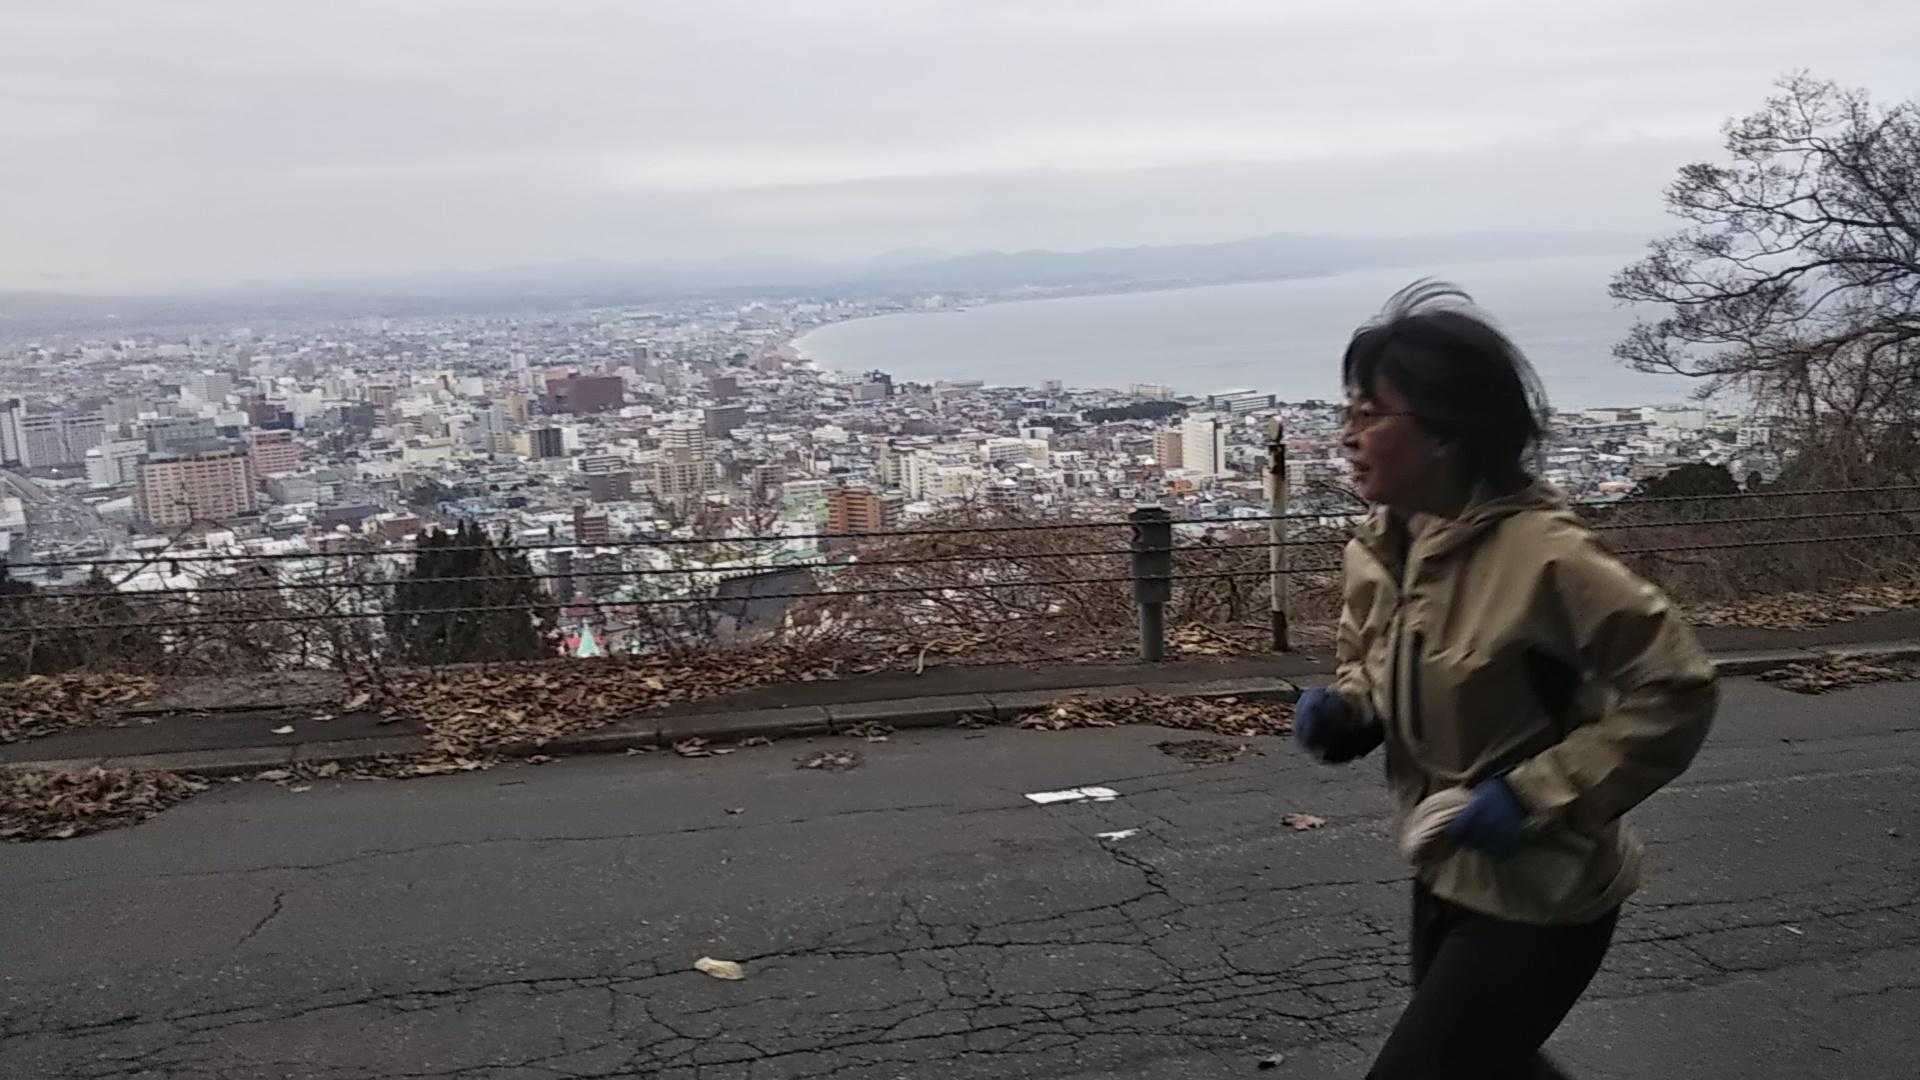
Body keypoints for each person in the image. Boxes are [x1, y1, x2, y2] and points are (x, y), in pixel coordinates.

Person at [1291, 281, 1719, 1079]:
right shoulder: (1380, 548)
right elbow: (1376, 662)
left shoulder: (1546, 558)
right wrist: (1351, 709)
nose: (1346, 437)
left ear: (1446, 433)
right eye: (1347, 412)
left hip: (1543, 893)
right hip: (1446, 873)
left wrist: (1530, 796)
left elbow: (1677, 686)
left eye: (1369, 415)